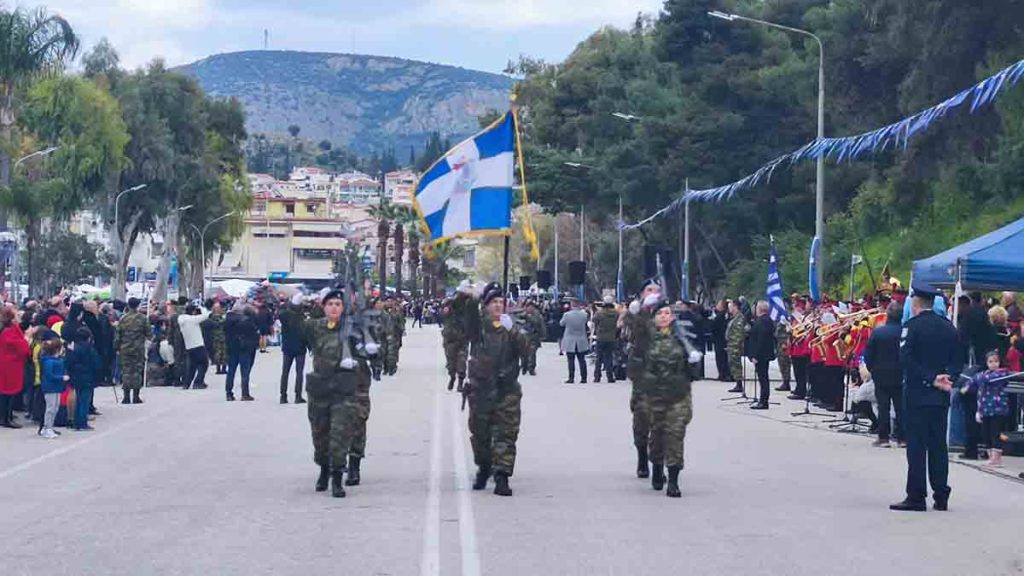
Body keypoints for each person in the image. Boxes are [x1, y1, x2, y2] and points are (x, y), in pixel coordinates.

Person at [890, 281, 962, 512]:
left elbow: (906, 359)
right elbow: (957, 359)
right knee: (938, 446)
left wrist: (929, 378)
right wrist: (948, 378)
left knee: (917, 447)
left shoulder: (911, 327)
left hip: (917, 395)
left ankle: (916, 495)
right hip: (940, 396)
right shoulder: (949, 327)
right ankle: (941, 494)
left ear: (916, 301)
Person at [462, 282, 527, 496]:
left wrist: (514, 331)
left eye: (501, 302)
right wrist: (472, 298)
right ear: (486, 305)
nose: (498, 306)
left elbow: (527, 349)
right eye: (494, 302)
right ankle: (484, 467)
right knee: (480, 434)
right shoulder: (479, 327)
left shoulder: (511, 326)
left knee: (506, 434)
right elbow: (467, 316)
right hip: (481, 390)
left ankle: (502, 476)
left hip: (506, 390)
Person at [304, 288, 364, 498]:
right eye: (330, 304)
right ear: (324, 307)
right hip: (320, 390)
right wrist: (293, 306)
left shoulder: (351, 328)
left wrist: (359, 358)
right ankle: (323, 470)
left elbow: (368, 349)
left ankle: (337, 479)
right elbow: (292, 326)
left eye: (338, 304)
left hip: (342, 391)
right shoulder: (315, 327)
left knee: (339, 437)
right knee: (320, 437)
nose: (334, 308)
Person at [643, 302, 695, 498]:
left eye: (668, 313)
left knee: (675, 435)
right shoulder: (647, 339)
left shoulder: (683, 339)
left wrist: (693, 362)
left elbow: (693, 373)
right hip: (655, 396)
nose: (664, 316)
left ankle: (673, 480)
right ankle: (657, 468)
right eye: (661, 313)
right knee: (656, 435)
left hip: (678, 396)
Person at [624, 279, 662, 479]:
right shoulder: (635, 314)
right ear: (642, 293)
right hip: (641, 375)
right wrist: (636, 313)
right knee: (641, 419)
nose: (654, 293)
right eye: (649, 290)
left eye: (657, 290)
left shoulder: (667, 314)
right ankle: (641, 456)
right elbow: (629, 334)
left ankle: (658, 463)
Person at [956, 293, 995, 461]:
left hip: (969, 372)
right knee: (985, 412)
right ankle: (987, 447)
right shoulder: (986, 323)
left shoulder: (966, 322)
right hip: (986, 371)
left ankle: (970, 448)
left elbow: (960, 344)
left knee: (969, 411)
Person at [864, 302, 904, 448]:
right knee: (900, 407)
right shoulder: (905, 332)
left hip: (880, 374)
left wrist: (872, 369)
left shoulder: (878, 332)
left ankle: (883, 437)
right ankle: (902, 438)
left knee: (883, 407)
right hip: (900, 374)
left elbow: (868, 354)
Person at [961, 351, 1011, 468]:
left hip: (998, 409)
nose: (993, 364)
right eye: (990, 361)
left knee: (995, 434)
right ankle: (991, 457)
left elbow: (984, 378)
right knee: (986, 434)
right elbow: (973, 380)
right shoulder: (983, 374)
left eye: (996, 361)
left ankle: (996, 458)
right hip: (985, 409)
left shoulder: (1002, 374)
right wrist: (967, 386)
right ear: (987, 363)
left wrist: (977, 380)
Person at [115, 298, 152, 404]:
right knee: (137, 371)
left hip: (125, 349)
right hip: (138, 349)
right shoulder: (143, 318)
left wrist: (117, 347)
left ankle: (126, 396)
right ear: (138, 305)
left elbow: (118, 335)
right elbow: (149, 334)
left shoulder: (123, 319)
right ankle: (136, 396)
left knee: (126, 371)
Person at [0, 306, 32, 428]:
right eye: (17, 316)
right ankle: (6, 418)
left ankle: (7, 416)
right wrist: (27, 338)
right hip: (10, 365)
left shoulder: (10, 329)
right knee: (8, 391)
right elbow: (20, 346)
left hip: (11, 364)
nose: (19, 317)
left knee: (7, 392)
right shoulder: (9, 331)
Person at [224, 301, 260, 401]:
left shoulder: (227, 320)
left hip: (231, 348)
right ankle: (245, 394)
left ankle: (229, 393)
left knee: (231, 371)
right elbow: (253, 334)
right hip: (244, 348)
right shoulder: (246, 321)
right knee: (245, 372)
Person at [66, 327, 101, 431]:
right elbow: (97, 363)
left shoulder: (74, 348)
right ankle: (82, 423)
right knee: (84, 401)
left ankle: (76, 422)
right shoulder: (90, 349)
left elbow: (68, 363)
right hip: (87, 377)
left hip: (76, 376)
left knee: (78, 399)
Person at [278, 294, 308, 404]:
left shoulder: (285, 316)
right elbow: (306, 334)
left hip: (287, 347)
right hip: (300, 348)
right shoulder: (302, 318)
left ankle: (283, 396)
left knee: (285, 372)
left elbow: (279, 313)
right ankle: (298, 396)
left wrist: (284, 304)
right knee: (299, 372)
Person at [746, 301, 776, 409]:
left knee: (763, 378)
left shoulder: (763, 321)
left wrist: (755, 355)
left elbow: (760, 340)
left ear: (760, 309)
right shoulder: (766, 320)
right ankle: (763, 399)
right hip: (764, 354)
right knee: (763, 377)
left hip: (761, 355)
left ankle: (763, 401)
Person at [441, 287, 471, 390]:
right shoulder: (449, 307)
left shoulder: (467, 309)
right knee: (451, 363)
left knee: (462, 362)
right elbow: (444, 306)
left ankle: (460, 383)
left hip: (463, 340)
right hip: (450, 340)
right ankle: (452, 377)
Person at [178, 303, 211, 390]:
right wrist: (202, 307)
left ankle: (186, 384)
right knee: (204, 364)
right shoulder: (193, 320)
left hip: (189, 346)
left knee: (192, 366)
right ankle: (198, 382)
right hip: (198, 345)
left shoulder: (181, 320)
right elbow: (206, 315)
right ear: (193, 312)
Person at [38, 333, 64, 439]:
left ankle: (50, 426)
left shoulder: (58, 360)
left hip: (56, 387)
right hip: (50, 387)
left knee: (55, 407)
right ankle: (47, 427)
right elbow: (49, 375)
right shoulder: (49, 362)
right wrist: (62, 378)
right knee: (50, 408)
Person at [559, 299, 590, 384]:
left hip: (570, 339)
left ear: (572, 305)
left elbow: (561, 323)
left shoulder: (567, 315)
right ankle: (584, 378)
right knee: (582, 360)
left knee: (570, 360)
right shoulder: (584, 314)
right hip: (581, 339)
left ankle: (571, 378)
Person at [592, 296, 618, 383]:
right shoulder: (616, 313)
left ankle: (597, 377)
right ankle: (610, 376)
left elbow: (594, 321)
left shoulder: (599, 313)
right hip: (611, 338)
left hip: (600, 337)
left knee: (599, 358)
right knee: (609, 357)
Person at [725, 300, 749, 394]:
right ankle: (737, 383)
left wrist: (735, 345)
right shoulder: (734, 317)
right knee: (733, 364)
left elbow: (739, 334)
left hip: (735, 346)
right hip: (731, 344)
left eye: (730, 306)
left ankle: (739, 384)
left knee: (736, 364)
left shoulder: (739, 318)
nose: (729, 308)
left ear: (735, 306)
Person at [520, 300, 546, 377]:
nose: (528, 308)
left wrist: (543, 336)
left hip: (534, 336)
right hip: (525, 336)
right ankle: (524, 365)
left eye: (530, 307)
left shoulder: (537, 315)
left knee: (532, 353)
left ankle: (531, 368)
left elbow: (538, 323)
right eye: (527, 307)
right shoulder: (525, 313)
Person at [203, 301, 227, 375]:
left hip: (217, 337)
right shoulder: (217, 317)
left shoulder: (211, 317)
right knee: (221, 353)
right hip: (219, 337)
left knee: (220, 352)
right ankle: (220, 368)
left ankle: (220, 368)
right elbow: (221, 323)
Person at [711, 300, 732, 381]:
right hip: (724, 340)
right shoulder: (727, 316)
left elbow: (714, 328)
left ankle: (723, 374)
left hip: (720, 340)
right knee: (724, 358)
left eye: (718, 305)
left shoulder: (719, 317)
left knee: (721, 358)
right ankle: (724, 374)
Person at [774, 307, 792, 392]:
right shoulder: (781, 319)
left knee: (785, 364)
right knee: (781, 363)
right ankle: (784, 381)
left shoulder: (788, 318)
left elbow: (789, 333)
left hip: (784, 344)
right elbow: (776, 333)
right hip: (780, 343)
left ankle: (786, 381)